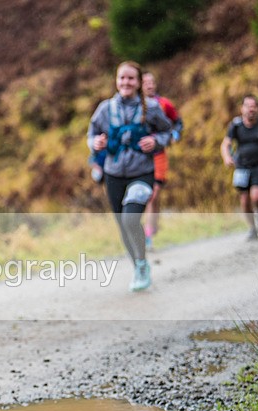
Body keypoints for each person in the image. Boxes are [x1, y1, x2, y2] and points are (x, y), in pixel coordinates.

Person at [87, 61, 172, 292]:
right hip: (113, 175)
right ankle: (140, 267)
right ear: (116, 80)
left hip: (142, 173)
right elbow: (91, 134)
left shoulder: (151, 108)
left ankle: (142, 263)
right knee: (123, 227)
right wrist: (95, 144)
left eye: (131, 78)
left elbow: (168, 131)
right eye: (121, 78)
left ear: (139, 82)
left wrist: (156, 141)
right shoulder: (106, 108)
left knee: (130, 219)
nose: (126, 82)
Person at [220, 95, 258, 240]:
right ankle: (252, 229)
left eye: (254, 106)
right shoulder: (236, 125)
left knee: (256, 195)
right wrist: (227, 157)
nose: (251, 109)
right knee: (244, 200)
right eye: (248, 106)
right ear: (242, 109)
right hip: (241, 166)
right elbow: (225, 144)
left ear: (257, 109)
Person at [141, 71, 183, 250]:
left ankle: (148, 237)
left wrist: (174, 134)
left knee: (154, 195)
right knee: (146, 197)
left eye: (152, 82)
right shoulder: (133, 106)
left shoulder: (164, 104)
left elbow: (177, 121)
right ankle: (150, 227)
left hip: (158, 154)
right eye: (146, 82)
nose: (150, 85)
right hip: (139, 158)